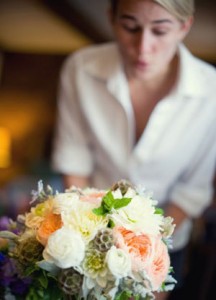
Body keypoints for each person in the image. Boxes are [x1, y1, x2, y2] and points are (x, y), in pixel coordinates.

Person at [52, 0, 216, 299]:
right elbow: (74, 163)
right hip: (90, 237)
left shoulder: (210, 91)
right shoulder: (81, 69)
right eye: (130, 27)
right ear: (112, 19)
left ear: (184, 27)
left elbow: (192, 190)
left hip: (164, 243)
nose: (143, 48)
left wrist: (150, 261)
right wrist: (92, 240)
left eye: (160, 31)